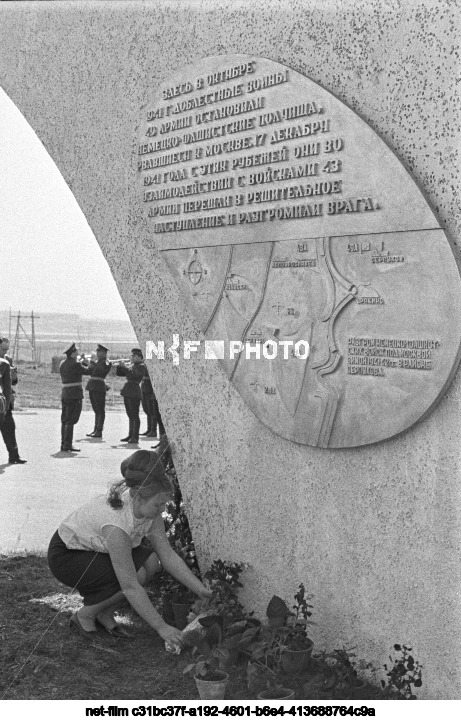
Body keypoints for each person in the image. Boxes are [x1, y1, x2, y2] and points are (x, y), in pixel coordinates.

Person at [47, 449, 211, 642]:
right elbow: (130, 586)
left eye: (164, 504)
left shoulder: (146, 502)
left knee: (151, 561)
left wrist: (201, 590)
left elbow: (166, 554)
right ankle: (85, 615)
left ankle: (104, 614)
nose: (163, 510)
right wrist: (162, 628)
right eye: (158, 505)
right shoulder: (117, 525)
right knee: (136, 574)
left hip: (94, 550)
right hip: (67, 555)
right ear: (139, 498)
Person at [59, 343, 91, 452]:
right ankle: (68, 445)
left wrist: (80, 361)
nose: (77, 352)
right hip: (74, 394)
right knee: (71, 420)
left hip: (65, 393)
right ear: (73, 353)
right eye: (76, 351)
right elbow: (88, 370)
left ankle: (63, 443)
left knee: (65, 420)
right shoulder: (76, 364)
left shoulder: (62, 363)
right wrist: (88, 362)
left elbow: (75, 370)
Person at [0, 337, 26, 464]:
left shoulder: (8, 360)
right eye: (3, 349)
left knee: (10, 427)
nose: (5, 352)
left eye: (7, 349)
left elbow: (13, 382)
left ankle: (14, 456)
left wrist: (14, 376)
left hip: (5, 401)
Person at [116, 348, 145, 444]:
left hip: (134, 390)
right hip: (128, 390)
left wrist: (125, 367)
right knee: (130, 414)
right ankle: (130, 434)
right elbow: (120, 374)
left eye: (134, 356)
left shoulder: (141, 366)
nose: (132, 357)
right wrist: (119, 366)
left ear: (140, 357)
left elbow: (134, 375)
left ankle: (135, 437)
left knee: (134, 415)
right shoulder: (133, 365)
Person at [85, 344, 112, 438]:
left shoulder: (106, 362)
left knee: (100, 410)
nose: (97, 353)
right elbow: (90, 371)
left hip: (99, 386)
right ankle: (95, 429)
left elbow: (100, 370)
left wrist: (91, 362)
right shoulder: (98, 361)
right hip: (92, 386)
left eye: (99, 352)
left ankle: (99, 430)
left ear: (104, 353)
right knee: (96, 410)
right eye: (97, 352)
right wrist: (85, 362)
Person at [140, 367, 165, 439]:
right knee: (147, 410)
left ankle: (153, 430)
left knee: (152, 411)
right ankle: (149, 429)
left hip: (150, 389)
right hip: (145, 389)